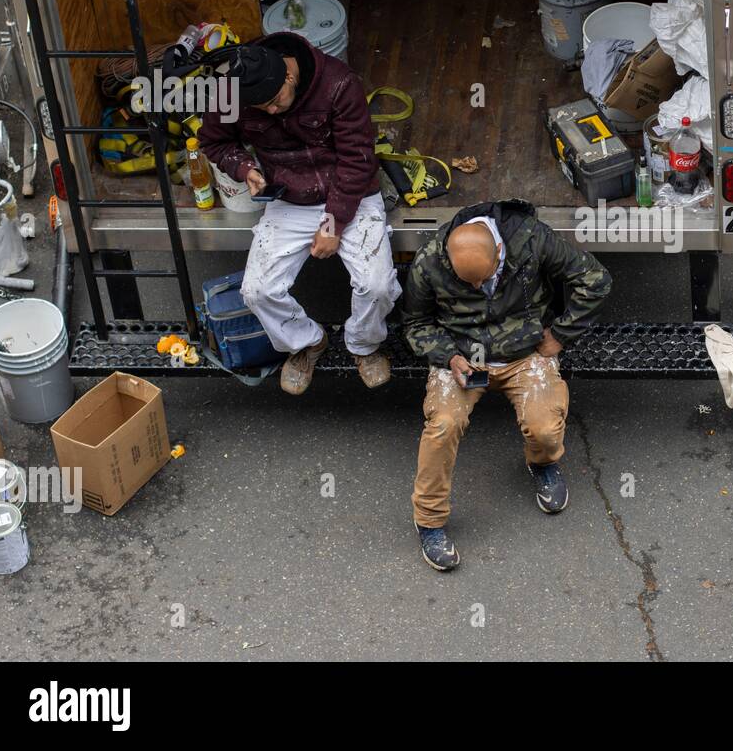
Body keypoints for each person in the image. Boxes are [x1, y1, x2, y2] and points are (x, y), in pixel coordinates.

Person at [403, 199, 612, 572]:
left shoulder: (530, 239)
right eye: (469, 283)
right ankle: (430, 522)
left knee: (546, 428)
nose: (478, 287)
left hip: (524, 353)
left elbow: (595, 280)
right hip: (463, 356)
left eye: (484, 278)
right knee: (443, 425)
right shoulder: (431, 258)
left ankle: (542, 463)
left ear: (499, 250)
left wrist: (560, 335)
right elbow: (416, 324)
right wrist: (449, 356)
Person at [199, 33, 400, 394]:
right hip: (289, 195)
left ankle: (363, 345)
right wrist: (245, 167)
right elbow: (215, 142)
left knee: (377, 284)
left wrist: (334, 222)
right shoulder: (231, 93)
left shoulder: (338, 83)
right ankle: (306, 342)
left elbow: (358, 159)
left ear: (289, 77)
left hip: (350, 191)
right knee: (257, 291)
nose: (272, 112)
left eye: (276, 101)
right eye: (262, 110)